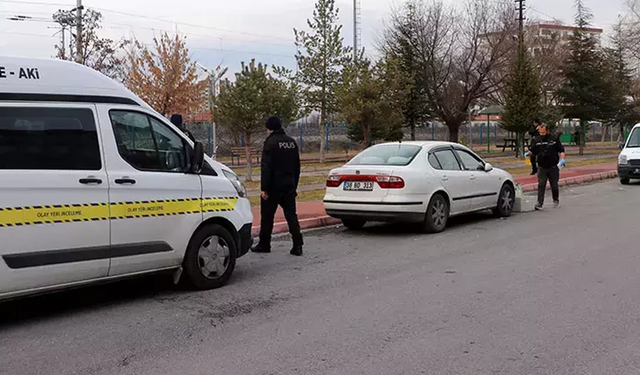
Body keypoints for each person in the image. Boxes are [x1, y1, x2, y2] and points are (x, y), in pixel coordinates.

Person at [251, 116, 303, 256]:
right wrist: (294, 185)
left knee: (267, 216)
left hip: (273, 186)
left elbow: (266, 167)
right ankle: (297, 244)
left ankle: (264, 244)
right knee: (291, 215)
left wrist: (264, 188)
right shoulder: (291, 142)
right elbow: (297, 167)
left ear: (269, 128)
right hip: (289, 185)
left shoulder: (270, 142)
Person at [528, 123, 566, 210]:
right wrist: (528, 154)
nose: (542, 134)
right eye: (540, 132)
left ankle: (555, 200)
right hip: (542, 166)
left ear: (547, 131)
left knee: (554, 185)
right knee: (541, 184)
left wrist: (562, 160)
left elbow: (561, 150)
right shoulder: (536, 140)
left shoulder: (554, 139)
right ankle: (539, 203)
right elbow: (533, 151)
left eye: (544, 132)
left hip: (553, 166)